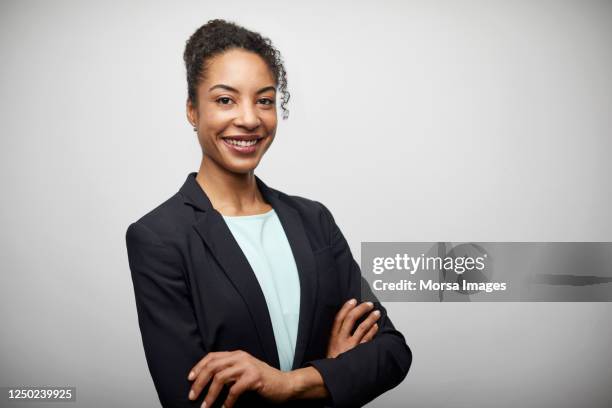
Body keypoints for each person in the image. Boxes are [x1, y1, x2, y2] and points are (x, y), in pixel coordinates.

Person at [125, 19, 412, 408]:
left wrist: (288, 383)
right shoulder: (160, 237)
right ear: (193, 111)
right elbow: (190, 400)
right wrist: (328, 373)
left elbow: (392, 353)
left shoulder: (314, 221)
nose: (249, 118)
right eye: (225, 100)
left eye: (264, 100)